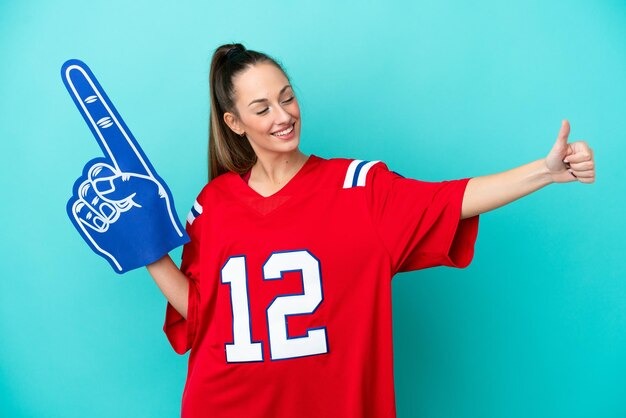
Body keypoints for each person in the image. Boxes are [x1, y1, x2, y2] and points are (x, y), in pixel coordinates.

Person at [146, 43, 595, 418]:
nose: (283, 115)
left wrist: (545, 171)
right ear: (234, 123)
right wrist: (149, 252)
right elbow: (206, 313)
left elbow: (452, 198)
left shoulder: (358, 188)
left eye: (287, 97)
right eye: (262, 108)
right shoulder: (214, 203)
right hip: (225, 405)